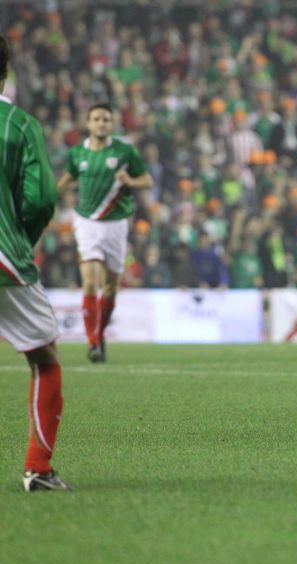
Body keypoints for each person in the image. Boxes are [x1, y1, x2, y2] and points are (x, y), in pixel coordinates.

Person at [0, 34, 72, 491]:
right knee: (44, 358)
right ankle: (38, 468)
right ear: (5, 72)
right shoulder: (20, 124)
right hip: (5, 257)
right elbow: (42, 198)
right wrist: (19, 240)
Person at [56, 102, 153, 362]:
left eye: (106, 119)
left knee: (110, 288)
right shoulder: (78, 153)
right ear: (88, 123)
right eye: (97, 119)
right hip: (86, 223)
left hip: (116, 224)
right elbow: (67, 179)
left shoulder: (125, 151)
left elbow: (147, 180)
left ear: (112, 124)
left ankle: (100, 335)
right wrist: (48, 199)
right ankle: (92, 342)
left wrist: (130, 181)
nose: (101, 123)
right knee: (90, 282)